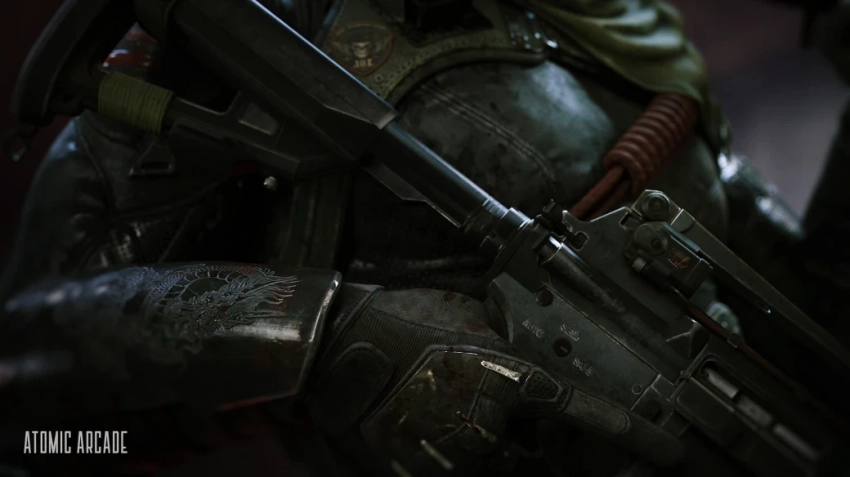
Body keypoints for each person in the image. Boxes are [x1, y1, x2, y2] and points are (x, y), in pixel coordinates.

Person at [0, 0, 817, 476]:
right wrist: (327, 331)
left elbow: (781, 279)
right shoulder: (237, 32)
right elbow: (30, 408)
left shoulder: (609, 21)